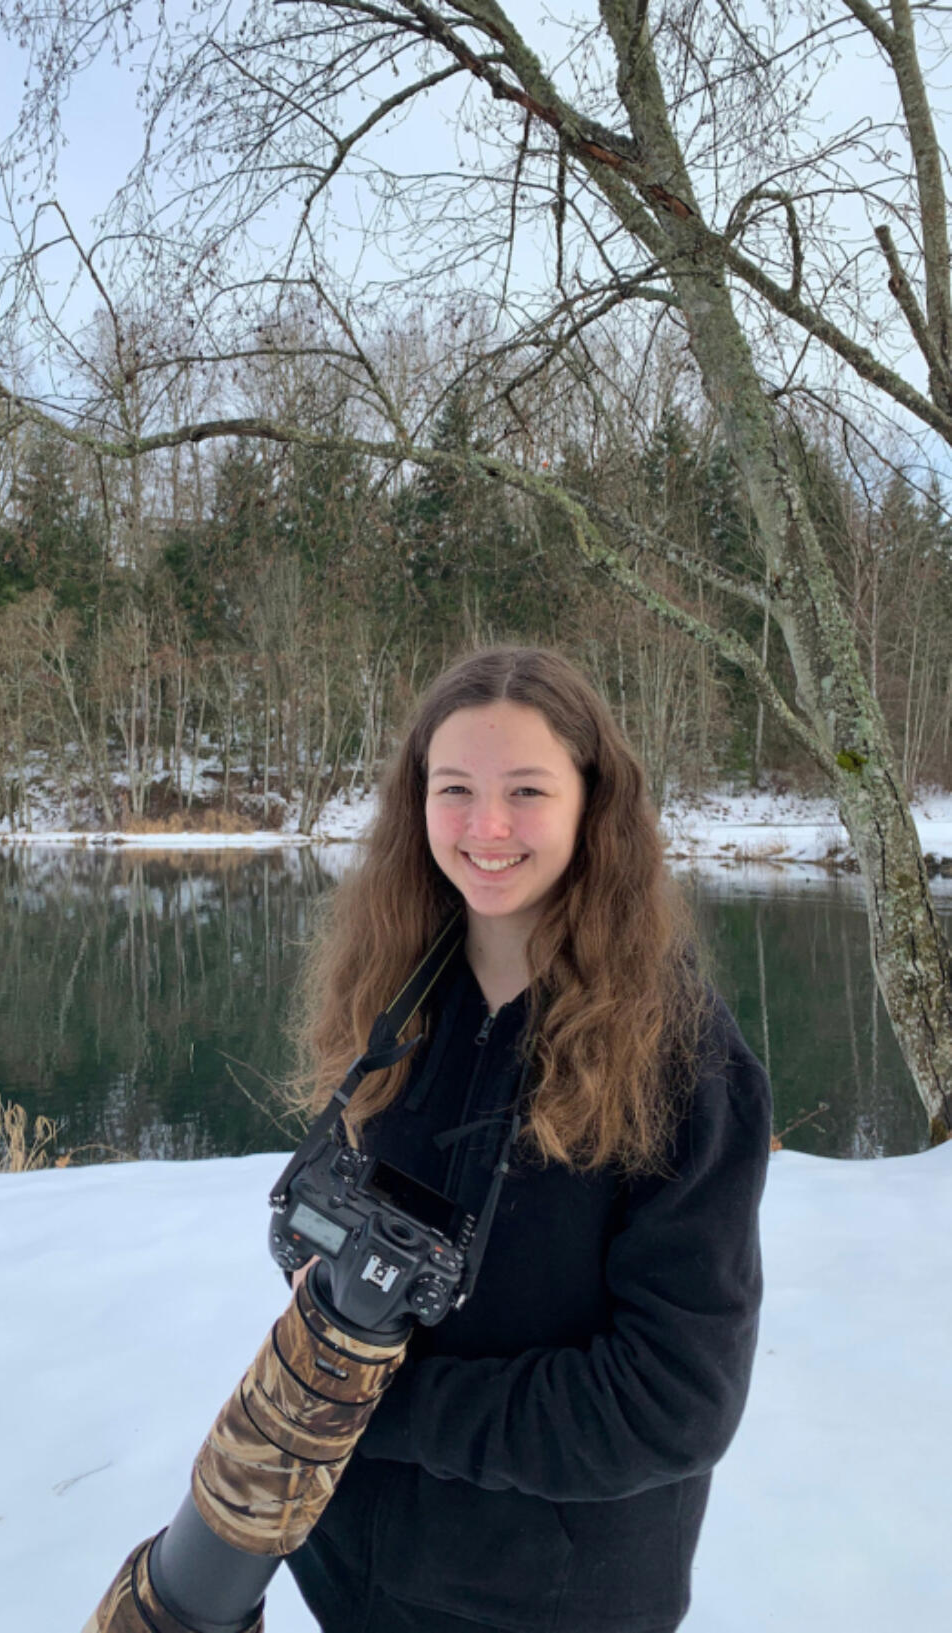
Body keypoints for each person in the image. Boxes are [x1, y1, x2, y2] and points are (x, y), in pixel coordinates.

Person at [283, 646, 772, 1633]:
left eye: (526, 790)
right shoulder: (394, 1000)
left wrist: (376, 1405)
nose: (485, 826)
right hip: (352, 1574)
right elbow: (324, 1228)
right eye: (453, 788)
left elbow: (670, 1401)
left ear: (592, 805)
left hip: (548, 1600)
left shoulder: (677, 1054)